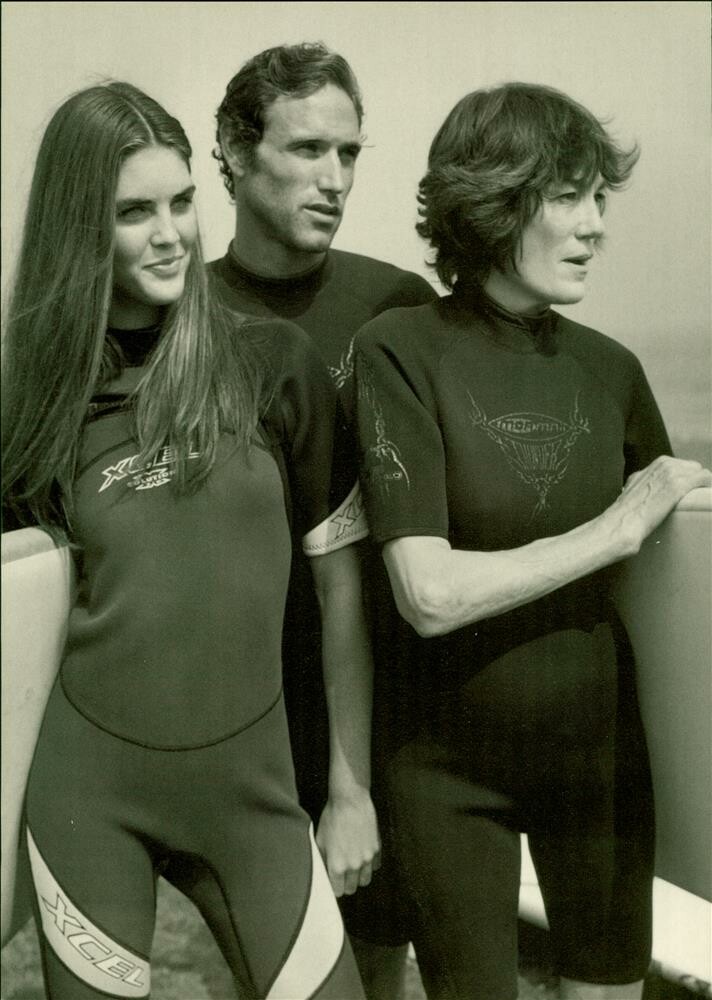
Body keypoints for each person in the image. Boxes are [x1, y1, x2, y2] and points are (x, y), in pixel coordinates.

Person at [1, 80, 371, 1000]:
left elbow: (342, 592)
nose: (170, 234)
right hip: (87, 799)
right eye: (135, 213)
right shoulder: (34, 409)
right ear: (79, 228)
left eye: (180, 202)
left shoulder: (272, 365)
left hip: (256, 797)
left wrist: (350, 789)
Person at [353, 82, 712, 1000]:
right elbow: (427, 594)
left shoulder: (612, 370)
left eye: (600, 199)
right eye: (570, 197)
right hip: (444, 777)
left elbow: (677, 572)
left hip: (601, 767)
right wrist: (614, 528)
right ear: (496, 202)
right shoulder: (400, 351)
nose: (596, 226)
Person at [209, 42, 438, 999]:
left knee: (379, 966)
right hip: (242, 708)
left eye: (349, 153)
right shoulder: (182, 316)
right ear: (234, 151)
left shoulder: (398, 305)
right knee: (270, 974)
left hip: (390, 704)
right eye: (307, 150)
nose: (335, 178)